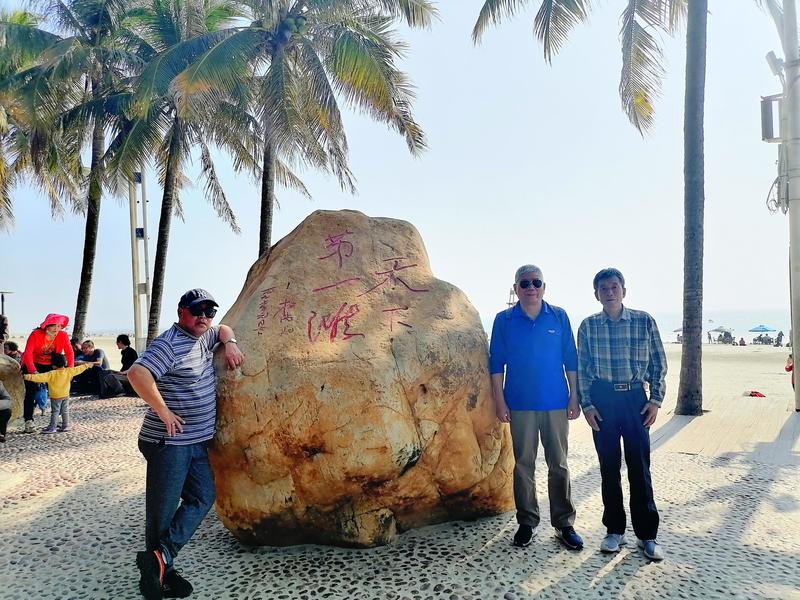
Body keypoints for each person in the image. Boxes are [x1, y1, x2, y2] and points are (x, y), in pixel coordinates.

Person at [127, 288, 244, 600]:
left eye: (209, 312)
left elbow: (223, 329)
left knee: (203, 496)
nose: (204, 317)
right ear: (181, 312)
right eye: (197, 311)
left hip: (196, 441)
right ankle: (160, 575)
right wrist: (162, 410)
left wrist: (230, 343)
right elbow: (137, 373)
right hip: (169, 443)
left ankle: (160, 559)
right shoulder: (169, 344)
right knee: (162, 513)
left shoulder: (204, 335)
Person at [489, 265, 583, 551]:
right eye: (525, 283)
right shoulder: (503, 320)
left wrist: (574, 397)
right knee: (523, 465)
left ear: (544, 287)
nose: (531, 287)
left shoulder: (559, 316)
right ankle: (527, 522)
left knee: (559, 464)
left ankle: (564, 523)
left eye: (536, 283)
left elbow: (571, 360)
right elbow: (496, 365)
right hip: (519, 404)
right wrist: (499, 400)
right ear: (516, 288)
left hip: (556, 402)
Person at [577, 268, 667, 562]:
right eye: (603, 288)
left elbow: (658, 364)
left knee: (640, 467)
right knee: (609, 467)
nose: (610, 292)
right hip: (602, 399)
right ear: (596, 295)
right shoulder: (588, 326)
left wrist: (655, 400)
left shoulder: (644, 321)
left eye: (614, 287)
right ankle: (614, 530)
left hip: (635, 399)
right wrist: (587, 405)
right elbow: (583, 369)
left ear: (624, 291)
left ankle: (647, 535)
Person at [21, 314, 74, 433]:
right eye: (54, 325)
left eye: (59, 326)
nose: (57, 328)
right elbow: (28, 353)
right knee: (30, 392)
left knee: (60, 391)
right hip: (34, 364)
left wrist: (70, 371)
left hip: (52, 365)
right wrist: (33, 371)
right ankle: (28, 421)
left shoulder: (63, 335)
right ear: (47, 326)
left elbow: (69, 352)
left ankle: (59, 419)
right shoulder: (36, 334)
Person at [22, 353, 90, 433]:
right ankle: (65, 425)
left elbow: (39, 377)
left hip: (56, 397)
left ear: (53, 365)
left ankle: (52, 427)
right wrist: (87, 365)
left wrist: (26, 376)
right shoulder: (69, 371)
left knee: (55, 411)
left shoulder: (51, 374)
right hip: (66, 395)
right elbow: (78, 369)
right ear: (64, 363)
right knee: (65, 411)